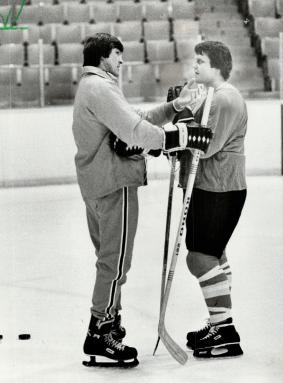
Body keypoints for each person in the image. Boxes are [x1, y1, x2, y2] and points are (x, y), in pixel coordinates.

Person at [71, 33, 212, 368]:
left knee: (109, 260)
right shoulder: (101, 88)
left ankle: (109, 324)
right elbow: (135, 132)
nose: (121, 61)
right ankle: (99, 331)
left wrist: (173, 109)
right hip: (113, 183)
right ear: (105, 56)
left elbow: (136, 120)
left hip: (98, 184)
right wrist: (182, 136)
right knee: (115, 262)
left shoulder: (92, 87)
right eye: (118, 55)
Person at [178, 40, 247, 359]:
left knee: (199, 258)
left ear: (217, 66)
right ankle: (219, 321)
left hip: (221, 187)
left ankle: (225, 329)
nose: (195, 66)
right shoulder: (212, 96)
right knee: (213, 255)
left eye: (201, 61)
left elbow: (207, 147)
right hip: (212, 185)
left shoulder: (225, 98)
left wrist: (180, 127)